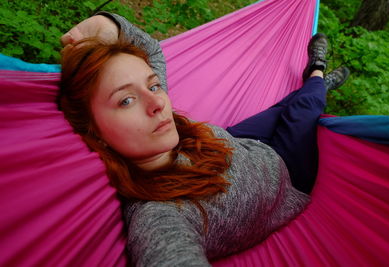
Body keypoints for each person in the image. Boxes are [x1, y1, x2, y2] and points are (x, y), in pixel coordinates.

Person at [59, 12, 349, 266]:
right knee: (305, 108)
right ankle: (318, 74)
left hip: (230, 141)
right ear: (95, 132)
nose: (159, 103)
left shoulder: (163, 127)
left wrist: (109, 25)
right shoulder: (161, 214)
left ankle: (315, 87)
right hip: (285, 168)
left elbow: (152, 52)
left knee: (282, 106)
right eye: (126, 101)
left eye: (154, 85)